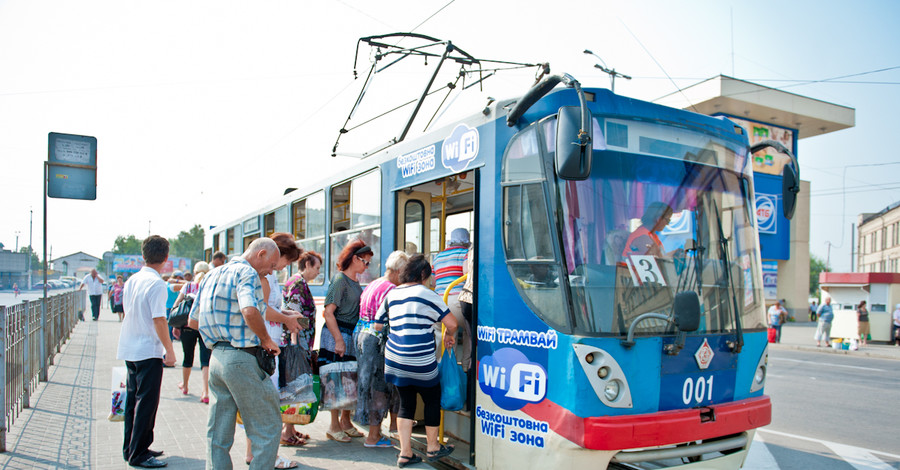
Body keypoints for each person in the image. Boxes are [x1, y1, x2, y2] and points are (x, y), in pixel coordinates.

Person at [187, 238, 297, 470]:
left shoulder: (211, 275)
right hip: (242, 357)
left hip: (217, 357)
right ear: (261, 254)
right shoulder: (246, 274)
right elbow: (250, 309)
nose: (272, 271)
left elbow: (193, 321)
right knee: (267, 426)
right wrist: (266, 340)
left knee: (218, 430)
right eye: (272, 265)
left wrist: (221, 330)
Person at [375, 254, 458, 467]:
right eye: (430, 276)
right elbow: (452, 323)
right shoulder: (427, 294)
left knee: (406, 402)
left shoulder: (392, 293)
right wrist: (448, 335)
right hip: (420, 359)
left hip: (395, 359)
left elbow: (377, 324)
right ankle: (432, 448)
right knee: (431, 398)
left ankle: (405, 454)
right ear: (423, 274)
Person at [116, 235, 177, 468]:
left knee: (133, 400)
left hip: (130, 347)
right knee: (147, 403)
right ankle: (139, 453)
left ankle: (131, 447)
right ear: (166, 258)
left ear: (143, 255)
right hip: (148, 350)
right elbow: (160, 320)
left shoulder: (133, 280)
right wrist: (169, 351)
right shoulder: (157, 283)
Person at [245, 233, 304, 464]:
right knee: (267, 405)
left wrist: (287, 315)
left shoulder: (270, 278)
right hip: (266, 345)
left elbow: (270, 308)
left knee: (262, 404)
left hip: (270, 343)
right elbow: (262, 310)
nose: (283, 266)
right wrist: (286, 318)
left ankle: (256, 453)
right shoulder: (264, 278)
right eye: (285, 261)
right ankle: (265, 456)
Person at [354, 250, 408, 448]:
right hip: (377, 342)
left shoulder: (374, 283)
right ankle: (373, 436)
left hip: (361, 336)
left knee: (368, 385)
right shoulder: (391, 290)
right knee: (380, 388)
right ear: (399, 270)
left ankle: (374, 431)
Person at [321, 239, 372, 443]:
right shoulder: (340, 280)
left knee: (348, 378)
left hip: (348, 333)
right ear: (354, 258)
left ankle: (346, 422)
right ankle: (334, 426)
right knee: (335, 379)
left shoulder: (354, 281)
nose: (366, 266)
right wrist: (339, 340)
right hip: (338, 333)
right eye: (365, 262)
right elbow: (328, 313)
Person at [281, 250, 323, 443]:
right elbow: (294, 316)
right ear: (307, 265)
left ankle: (291, 427)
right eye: (316, 267)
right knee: (296, 386)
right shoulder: (298, 284)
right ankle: (287, 433)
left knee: (294, 386)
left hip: (298, 342)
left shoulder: (297, 282)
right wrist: (296, 345)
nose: (318, 272)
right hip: (297, 343)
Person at [432, 228, 472, 371]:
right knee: (469, 331)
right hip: (458, 300)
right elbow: (467, 272)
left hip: (439, 302)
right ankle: (467, 366)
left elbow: (433, 282)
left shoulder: (437, 257)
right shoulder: (466, 253)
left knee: (446, 335)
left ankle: (447, 368)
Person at [171, 262, 211, 403]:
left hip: (188, 325)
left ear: (194, 273)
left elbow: (177, 304)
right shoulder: (210, 286)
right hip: (205, 326)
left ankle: (185, 386)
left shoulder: (188, 286)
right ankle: (205, 392)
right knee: (205, 360)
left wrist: (176, 325)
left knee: (187, 357)